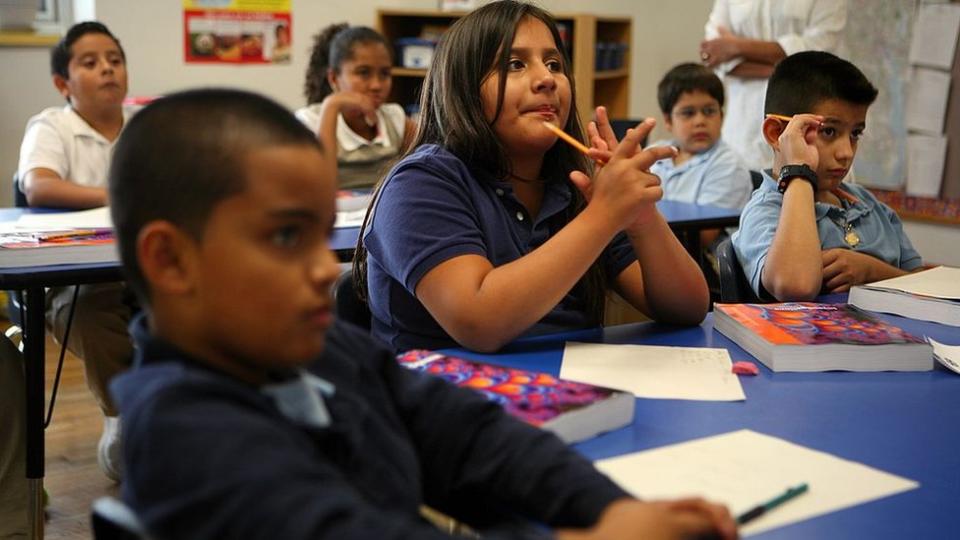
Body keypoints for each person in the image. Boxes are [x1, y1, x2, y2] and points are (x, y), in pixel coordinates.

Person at [106, 87, 736, 540]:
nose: (326, 269)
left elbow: (470, 437)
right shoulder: (182, 433)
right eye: (282, 238)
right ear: (171, 261)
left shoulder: (323, 352)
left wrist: (605, 508)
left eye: (321, 235)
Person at [357, 0, 710, 353]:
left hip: (573, 394)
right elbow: (480, 322)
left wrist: (640, 217)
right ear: (463, 88)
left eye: (554, 64)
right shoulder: (420, 183)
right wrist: (604, 214)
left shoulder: (573, 184)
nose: (546, 80)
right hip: (443, 398)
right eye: (515, 64)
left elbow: (687, 308)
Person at [15, 20, 137, 482]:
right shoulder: (53, 126)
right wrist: (118, 195)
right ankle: (124, 416)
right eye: (91, 63)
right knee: (87, 311)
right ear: (63, 83)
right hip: (78, 278)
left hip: (141, 268)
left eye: (115, 60)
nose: (108, 69)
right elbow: (38, 185)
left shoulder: (144, 125)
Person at [732, 51, 924, 301]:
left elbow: (923, 286)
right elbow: (795, 286)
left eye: (855, 134)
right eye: (829, 132)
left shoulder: (870, 206)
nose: (846, 152)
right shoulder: (766, 211)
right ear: (776, 133)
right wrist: (799, 171)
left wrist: (872, 271)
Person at [700, 0, 847, 172]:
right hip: (741, 141)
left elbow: (821, 47)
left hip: (806, 145)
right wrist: (789, 67)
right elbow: (713, 53)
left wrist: (736, 46)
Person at [295, 23, 414, 189]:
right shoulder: (310, 120)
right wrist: (331, 105)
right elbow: (320, 186)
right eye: (363, 72)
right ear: (334, 79)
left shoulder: (395, 118)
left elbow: (424, 171)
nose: (376, 85)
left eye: (385, 74)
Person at [648, 62, 752, 251]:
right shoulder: (655, 153)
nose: (700, 121)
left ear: (721, 115)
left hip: (704, 261)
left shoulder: (728, 165)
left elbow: (699, 237)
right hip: (653, 247)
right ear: (668, 121)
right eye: (688, 113)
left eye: (709, 111)